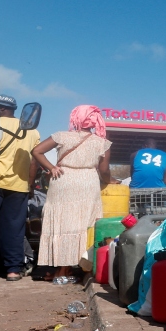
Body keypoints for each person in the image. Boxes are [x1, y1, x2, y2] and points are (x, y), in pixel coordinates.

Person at [30, 105, 116, 283]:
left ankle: (61, 269)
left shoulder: (61, 136)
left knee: (62, 224)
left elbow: (36, 151)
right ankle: (77, 268)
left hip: (62, 180)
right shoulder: (102, 143)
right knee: (84, 224)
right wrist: (110, 180)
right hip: (87, 182)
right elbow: (104, 170)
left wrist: (51, 167)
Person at [0, 95, 39, 282]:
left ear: (1, 109)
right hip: (19, 187)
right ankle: (13, 270)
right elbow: (34, 162)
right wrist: (30, 184)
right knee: (14, 229)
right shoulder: (32, 131)